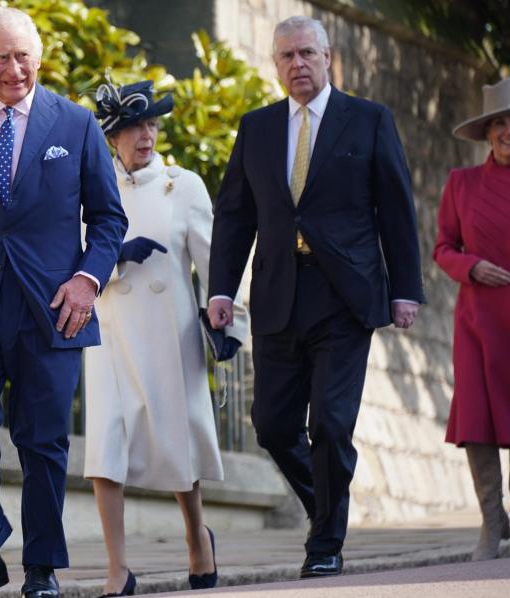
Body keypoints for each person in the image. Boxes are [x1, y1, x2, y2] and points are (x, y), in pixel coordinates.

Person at [207, 16, 425, 578]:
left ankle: (325, 543)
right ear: (275, 65)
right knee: (273, 427)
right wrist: (220, 290)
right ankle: (326, 508)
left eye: (307, 53)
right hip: (279, 293)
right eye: (286, 56)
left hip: (345, 296)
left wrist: (405, 289)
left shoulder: (368, 120)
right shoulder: (256, 128)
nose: (297, 64)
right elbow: (235, 216)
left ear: (328, 58)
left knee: (330, 423)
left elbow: (396, 211)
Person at [0, 7, 127, 598]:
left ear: (38, 57)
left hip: (53, 308)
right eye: (0, 58)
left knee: (42, 440)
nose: (13, 69)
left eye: (22, 56)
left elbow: (110, 218)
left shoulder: (77, 125)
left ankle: (41, 566)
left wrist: (88, 279)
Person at [82, 80, 249, 595]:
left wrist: (229, 320)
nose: (145, 135)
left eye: (151, 124)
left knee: (178, 444)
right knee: (105, 451)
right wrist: (112, 256)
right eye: (133, 126)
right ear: (112, 136)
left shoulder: (184, 185)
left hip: (168, 332)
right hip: (109, 328)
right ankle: (118, 569)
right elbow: (69, 254)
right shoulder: (89, 186)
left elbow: (216, 261)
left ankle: (197, 537)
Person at [433, 77, 510, 561]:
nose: (508, 132)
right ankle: (492, 523)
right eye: (499, 123)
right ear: (486, 133)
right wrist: (471, 266)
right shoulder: (461, 184)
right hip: (478, 321)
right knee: (477, 421)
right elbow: (442, 248)